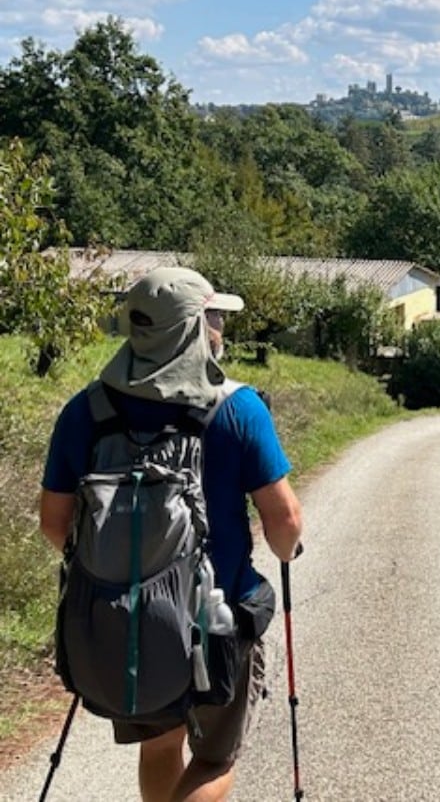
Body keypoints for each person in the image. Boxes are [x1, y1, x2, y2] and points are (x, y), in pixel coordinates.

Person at [39, 266, 304, 802]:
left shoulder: (87, 411)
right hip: (217, 616)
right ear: (191, 329)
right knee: (213, 760)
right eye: (214, 318)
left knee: (159, 746)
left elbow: (54, 524)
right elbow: (285, 522)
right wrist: (285, 551)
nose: (220, 329)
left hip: (124, 621)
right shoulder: (236, 407)